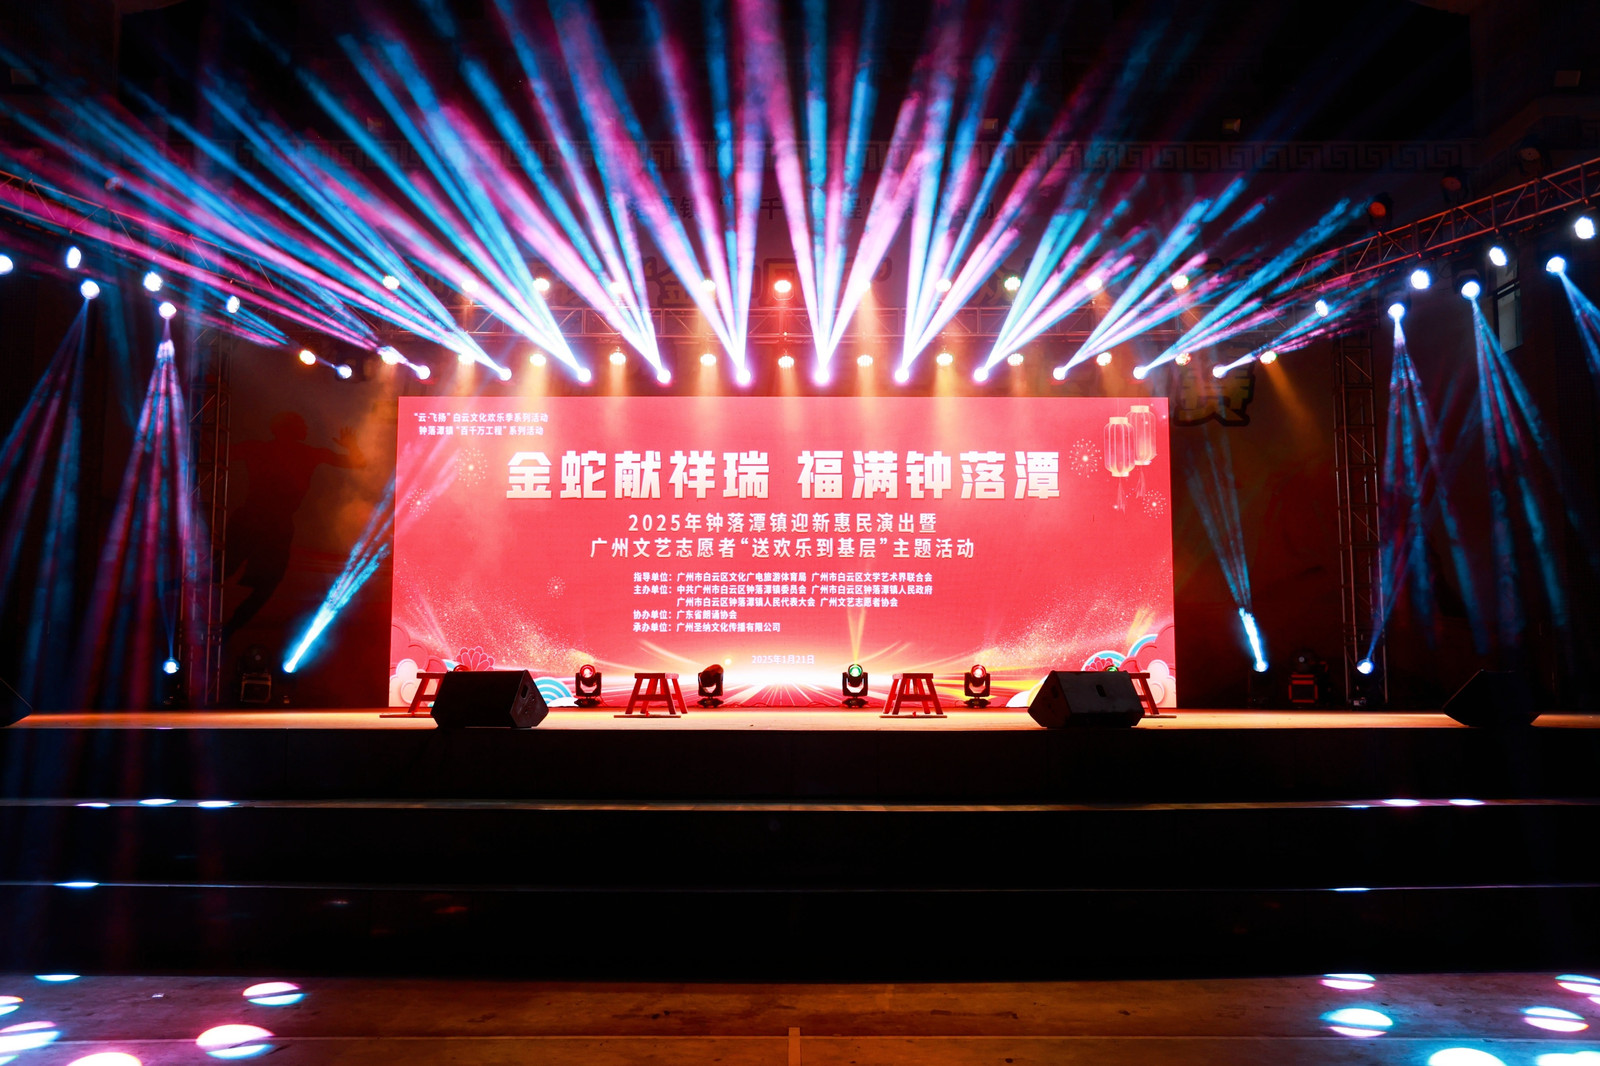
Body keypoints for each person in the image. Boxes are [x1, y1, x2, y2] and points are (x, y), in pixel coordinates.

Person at [222, 412, 365, 637]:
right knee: (256, 581)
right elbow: (359, 463)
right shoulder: (307, 453)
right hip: (269, 523)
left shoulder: (259, 448)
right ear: (291, 429)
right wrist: (351, 446)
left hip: (258, 520)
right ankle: (228, 627)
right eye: (302, 425)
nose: (306, 429)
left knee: (229, 571)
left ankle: (225, 626)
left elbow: (219, 453)